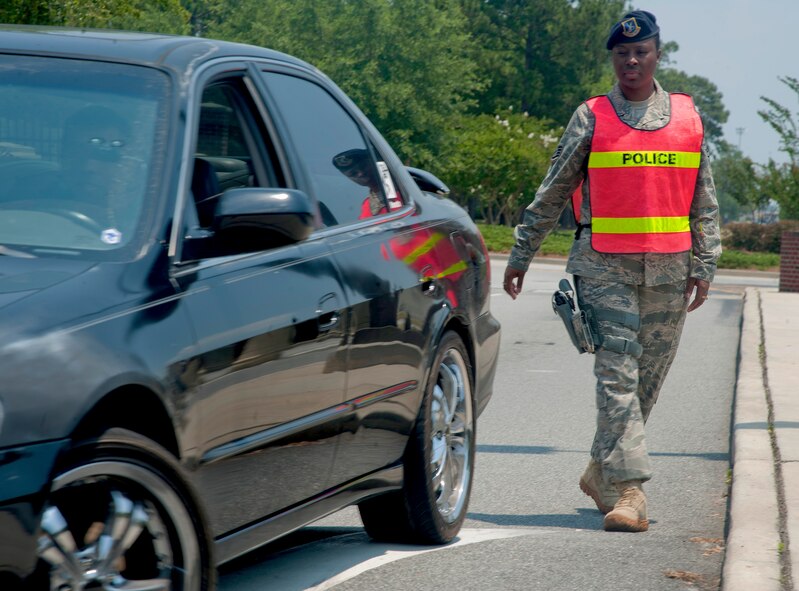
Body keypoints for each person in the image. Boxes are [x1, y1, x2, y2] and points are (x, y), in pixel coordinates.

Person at [502, 10, 721, 533]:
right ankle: (631, 492)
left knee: (646, 383)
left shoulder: (689, 117)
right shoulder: (592, 116)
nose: (630, 60)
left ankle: (600, 471)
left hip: (669, 271)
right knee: (617, 376)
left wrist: (706, 261)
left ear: (657, 55)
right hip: (603, 268)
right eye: (622, 53)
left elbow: (703, 199)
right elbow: (555, 189)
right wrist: (521, 253)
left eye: (640, 51)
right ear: (614, 58)